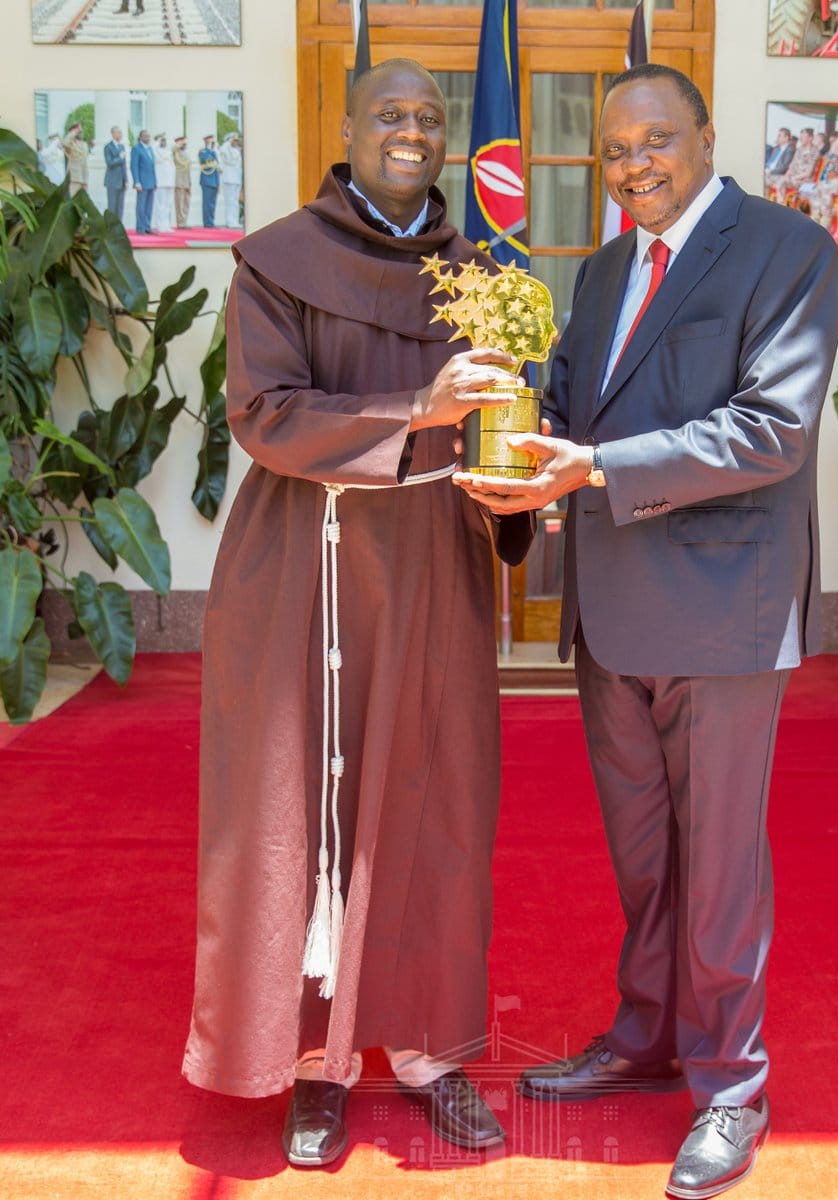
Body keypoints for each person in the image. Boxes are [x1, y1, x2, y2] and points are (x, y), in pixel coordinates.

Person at [455, 62, 838, 1200]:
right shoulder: (603, 267)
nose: (634, 165)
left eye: (656, 141)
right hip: (613, 614)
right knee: (644, 859)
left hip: (724, 615)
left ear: (704, 136)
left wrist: (592, 468)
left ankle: (730, 1085)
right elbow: (571, 407)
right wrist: (512, 451)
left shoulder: (786, 253)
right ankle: (647, 1036)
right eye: (617, 148)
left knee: (718, 866)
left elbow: (770, 429)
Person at [181, 58, 533, 1169]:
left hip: (433, 555)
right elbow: (265, 411)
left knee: (435, 800)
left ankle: (429, 1051)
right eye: (391, 113)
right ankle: (316, 1068)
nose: (414, 132)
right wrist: (414, 408)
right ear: (346, 128)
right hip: (305, 565)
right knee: (304, 810)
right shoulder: (277, 261)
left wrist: (520, 476)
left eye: (431, 119)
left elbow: (501, 413)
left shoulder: (478, 270)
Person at [130, 129, 156, 234]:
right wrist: (136, 181)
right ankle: (140, 227)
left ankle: (147, 226)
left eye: (148, 136)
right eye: (145, 136)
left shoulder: (150, 149)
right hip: (142, 183)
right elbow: (134, 166)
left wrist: (155, 182)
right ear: (140, 137)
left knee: (149, 206)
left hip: (151, 182)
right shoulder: (136, 149)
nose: (148, 138)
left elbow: (152, 166)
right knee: (141, 206)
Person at [217, 131, 243, 227]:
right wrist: (228, 141)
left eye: (236, 140)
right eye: (234, 140)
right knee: (229, 201)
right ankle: (229, 220)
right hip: (228, 178)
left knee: (235, 201)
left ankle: (235, 220)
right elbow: (222, 150)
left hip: (236, 178)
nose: (235, 142)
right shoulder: (225, 149)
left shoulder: (236, 150)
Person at [103, 125, 128, 221]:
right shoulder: (108, 147)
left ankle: (119, 226)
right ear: (113, 134)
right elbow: (109, 163)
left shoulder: (122, 146)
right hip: (112, 180)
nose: (120, 135)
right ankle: (110, 228)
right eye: (118, 132)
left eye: (121, 132)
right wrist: (120, 158)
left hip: (121, 181)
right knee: (112, 206)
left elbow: (124, 165)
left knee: (120, 206)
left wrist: (126, 180)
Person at [152, 132, 175, 233]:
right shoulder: (155, 151)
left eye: (164, 140)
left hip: (169, 182)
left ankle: (166, 225)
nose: (164, 141)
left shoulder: (168, 152)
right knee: (160, 205)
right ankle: (160, 225)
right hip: (160, 182)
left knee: (168, 204)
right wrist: (157, 140)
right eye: (162, 140)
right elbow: (153, 148)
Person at [61, 123, 89, 196]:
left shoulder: (84, 143)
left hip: (84, 175)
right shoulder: (69, 144)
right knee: (73, 197)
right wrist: (73, 132)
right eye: (79, 131)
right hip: (74, 176)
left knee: (83, 199)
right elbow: (64, 143)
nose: (81, 132)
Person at [198, 134, 219, 227]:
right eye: (211, 141)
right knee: (207, 203)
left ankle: (211, 221)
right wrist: (208, 149)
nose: (212, 143)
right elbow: (205, 161)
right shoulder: (203, 151)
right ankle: (207, 223)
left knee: (212, 204)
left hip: (214, 180)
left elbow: (216, 167)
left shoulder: (214, 152)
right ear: (206, 142)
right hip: (206, 180)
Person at [173, 135, 191, 228]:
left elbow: (188, 168)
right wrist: (178, 145)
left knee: (186, 203)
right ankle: (180, 222)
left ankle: (184, 221)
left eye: (185, 143)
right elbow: (172, 148)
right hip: (179, 181)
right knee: (179, 203)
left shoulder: (187, 153)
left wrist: (190, 182)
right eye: (183, 143)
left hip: (187, 181)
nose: (185, 145)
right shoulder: (175, 152)